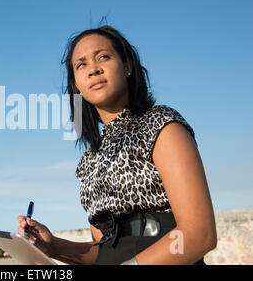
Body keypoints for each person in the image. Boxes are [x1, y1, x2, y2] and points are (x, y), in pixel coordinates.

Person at [16, 25, 217, 265]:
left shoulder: (160, 123)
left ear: (128, 66)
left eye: (103, 57)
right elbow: (104, 252)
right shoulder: (89, 160)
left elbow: (199, 234)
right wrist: (52, 246)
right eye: (81, 65)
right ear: (77, 84)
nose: (93, 69)